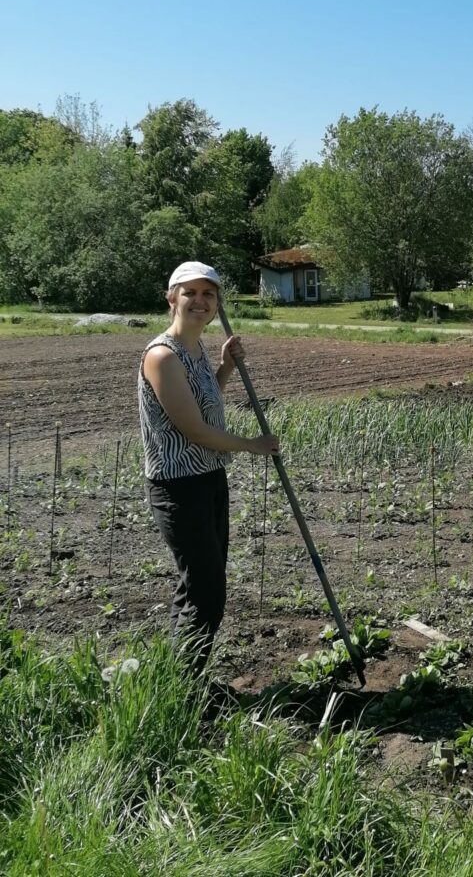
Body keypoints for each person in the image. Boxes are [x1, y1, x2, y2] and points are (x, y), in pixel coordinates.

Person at [139, 261, 279, 674]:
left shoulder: (195, 350)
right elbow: (195, 430)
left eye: (209, 294)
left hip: (209, 479)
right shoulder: (162, 356)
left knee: (197, 587)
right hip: (178, 488)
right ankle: (184, 693)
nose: (200, 301)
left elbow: (203, 401)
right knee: (206, 595)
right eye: (190, 293)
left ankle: (175, 679)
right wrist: (253, 445)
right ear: (172, 298)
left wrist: (225, 369)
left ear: (217, 303)